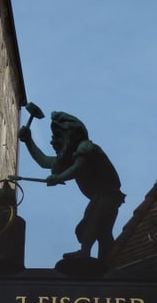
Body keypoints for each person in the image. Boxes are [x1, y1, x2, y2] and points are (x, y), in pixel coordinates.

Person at [19, 111, 125, 262]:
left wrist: (58, 177)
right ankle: (105, 261)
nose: (54, 142)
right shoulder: (73, 156)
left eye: (59, 137)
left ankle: (86, 253)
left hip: (106, 196)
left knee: (91, 223)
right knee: (103, 231)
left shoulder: (86, 147)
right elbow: (44, 162)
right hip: (105, 198)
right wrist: (28, 141)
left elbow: (78, 168)